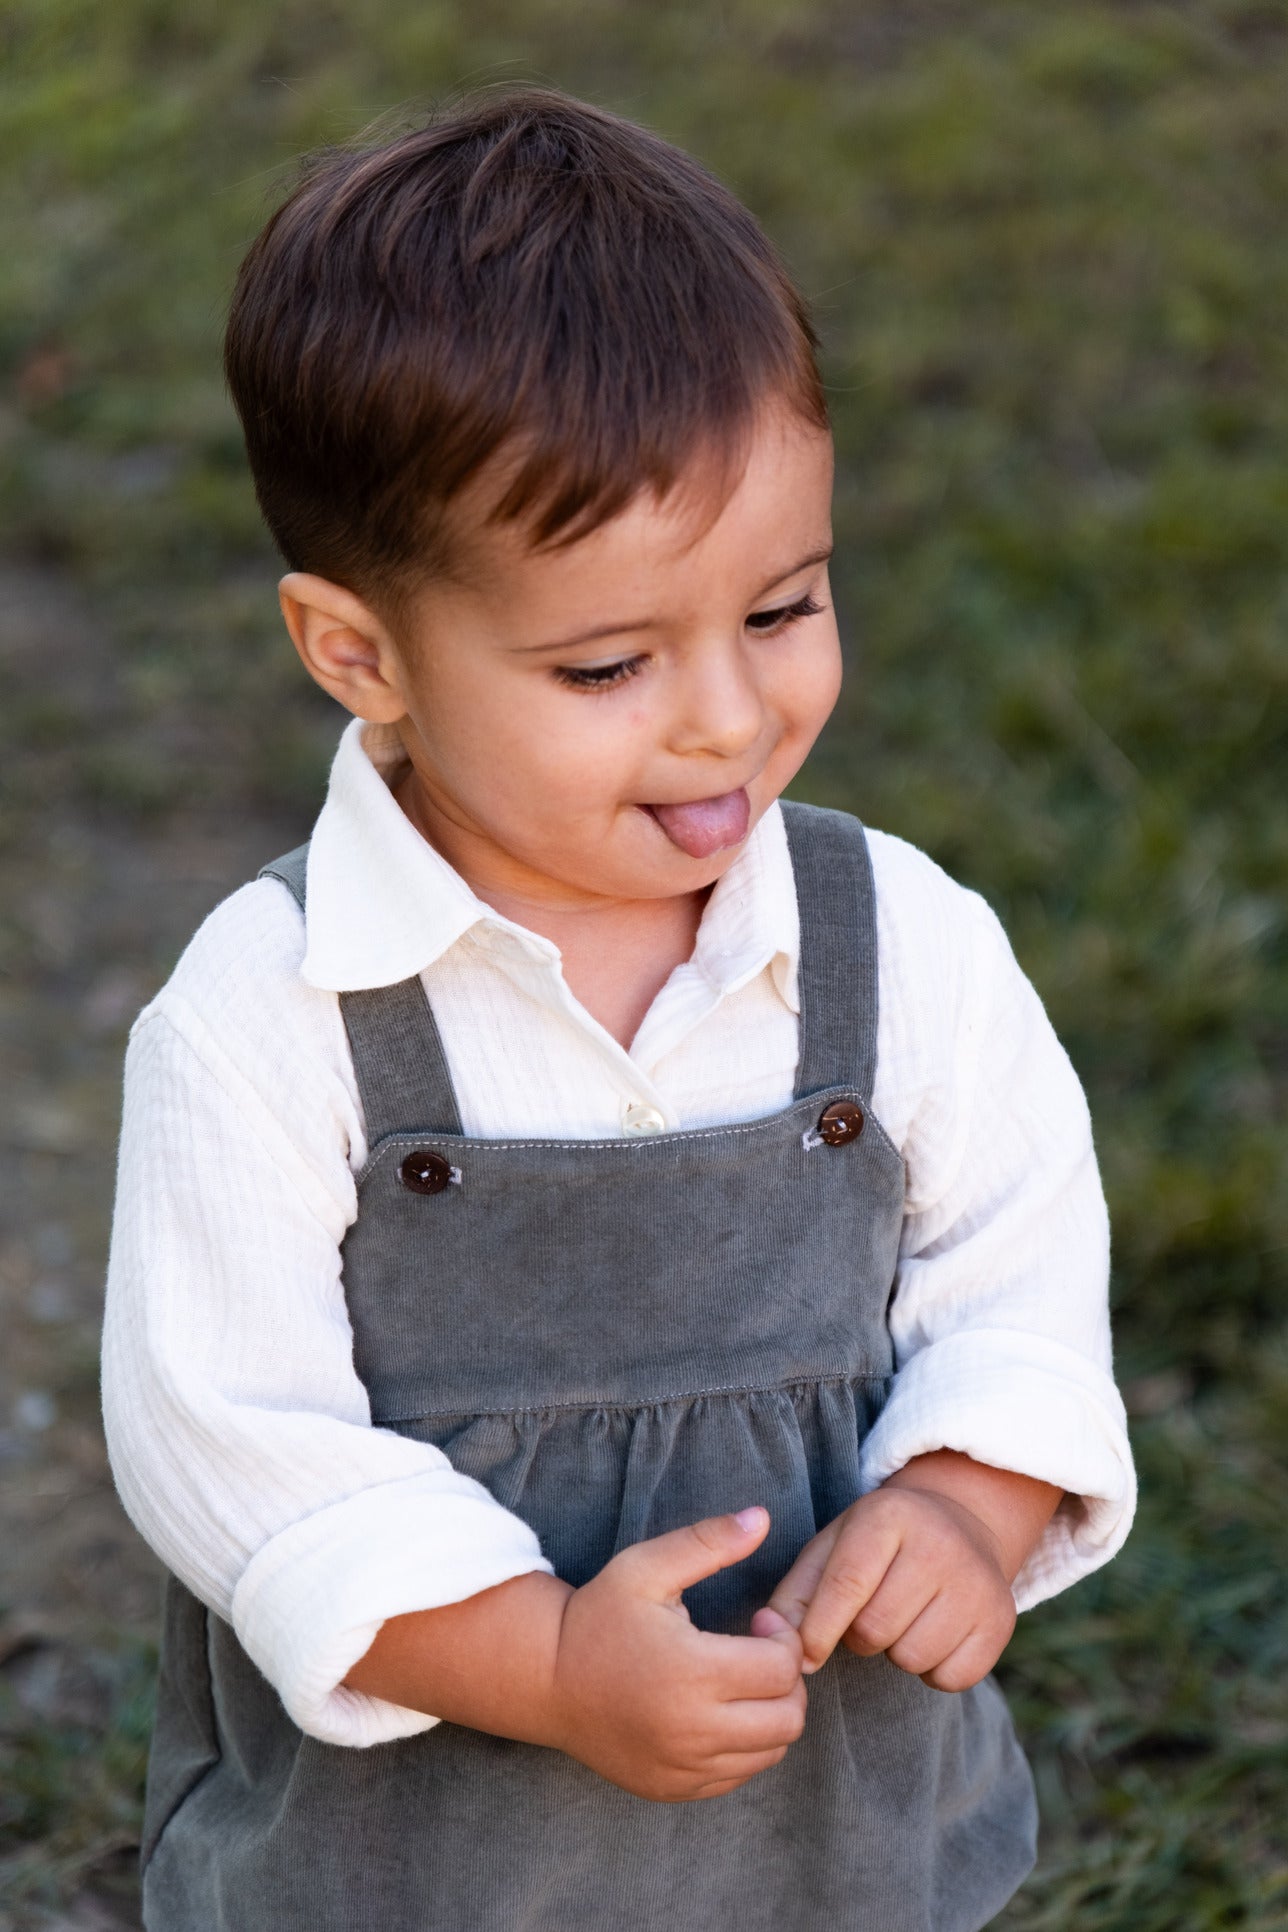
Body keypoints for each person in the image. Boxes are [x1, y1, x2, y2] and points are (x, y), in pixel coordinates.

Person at [101, 87, 1136, 1931]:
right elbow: (233, 1441)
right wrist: (549, 1665)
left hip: (834, 1837)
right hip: (423, 1869)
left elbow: (1018, 1263)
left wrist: (967, 1502)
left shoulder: (895, 943)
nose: (726, 718)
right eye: (605, 663)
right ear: (363, 655)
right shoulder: (275, 1016)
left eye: (787, 605)